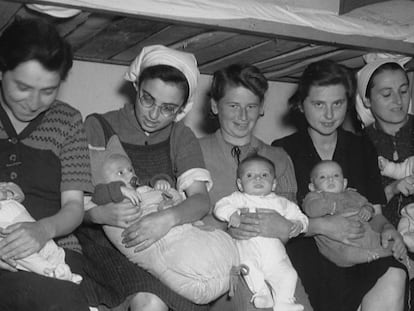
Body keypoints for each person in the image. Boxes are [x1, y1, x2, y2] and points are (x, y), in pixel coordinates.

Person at [79, 44, 213, 311]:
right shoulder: (98, 125)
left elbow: (200, 200)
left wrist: (166, 218)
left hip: (163, 242)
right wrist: (99, 215)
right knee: (150, 303)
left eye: (167, 108)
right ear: (136, 87)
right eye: (147, 99)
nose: (153, 115)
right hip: (106, 245)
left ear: (181, 109)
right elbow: (74, 202)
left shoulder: (180, 136)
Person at [272, 59, 408, 311]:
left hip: (361, 244)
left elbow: (375, 214)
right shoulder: (283, 150)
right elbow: (280, 223)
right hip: (309, 247)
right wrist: (325, 226)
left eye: (338, 104)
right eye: (318, 104)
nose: (329, 114)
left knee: (396, 273)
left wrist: (388, 229)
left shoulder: (360, 146)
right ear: (301, 105)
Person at [199, 63, 313, 311]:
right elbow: (186, 221)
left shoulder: (278, 157)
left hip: (273, 262)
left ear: (261, 108)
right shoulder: (194, 152)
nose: (242, 116)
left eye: (251, 106)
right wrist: (227, 224)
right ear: (215, 105)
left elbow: (288, 221)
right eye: (233, 106)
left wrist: (285, 227)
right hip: (218, 268)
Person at [0, 18, 93, 310]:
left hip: (56, 249)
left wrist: (41, 231)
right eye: (23, 87)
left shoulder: (67, 121)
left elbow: (74, 208)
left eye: (48, 90)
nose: (34, 102)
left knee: (62, 297)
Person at [214, 154, 307, 311]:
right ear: (240, 184)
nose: (258, 179)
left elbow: (300, 216)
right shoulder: (239, 198)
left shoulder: (281, 202)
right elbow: (220, 205)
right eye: (250, 175)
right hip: (248, 246)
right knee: (249, 266)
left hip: (275, 253)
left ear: (274, 183)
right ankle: (261, 293)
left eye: (264, 175)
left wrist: (299, 224)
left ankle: (284, 302)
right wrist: (231, 214)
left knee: (289, 274)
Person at [303, 160, 393, 267]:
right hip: (337, 243)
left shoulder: (352, 194)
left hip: (363, 233)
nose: (330, 179)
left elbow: (368, 204)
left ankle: (384, 250)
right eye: (323, 177)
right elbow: (310, 210)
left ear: (344, 183)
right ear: (312, 187)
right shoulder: (315, 196)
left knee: (378, 238)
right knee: (345, 253)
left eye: (336, 175)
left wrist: (367, 209)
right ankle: (371, 255)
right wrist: (330, 206)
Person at [0, 182, 82, 283]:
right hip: (8, 241)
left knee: (52, 249)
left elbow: (19, 194)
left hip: (31, 227)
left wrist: (7, 192)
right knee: (25, 256)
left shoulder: (4, 189)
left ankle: (64, 270)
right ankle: (50, 272)